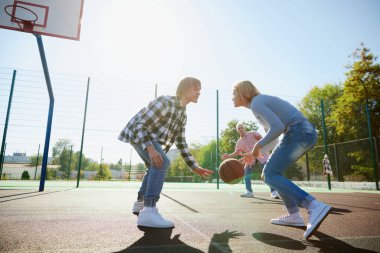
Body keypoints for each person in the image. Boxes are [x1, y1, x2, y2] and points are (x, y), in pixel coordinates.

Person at [232, 80, 331, 240]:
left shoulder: (257, 103)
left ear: (244, 93)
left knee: (269, 174)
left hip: (298, 131)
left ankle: (313, 205)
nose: (232, 97)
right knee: (272, 173)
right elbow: (274, 140)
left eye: (234, 93)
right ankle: (294, 215)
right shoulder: (258, 107)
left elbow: (277, 128)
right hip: (305, 133)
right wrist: (254, 152)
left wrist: (257, 146)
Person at [118, 77, 213, 228]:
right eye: (196, 88)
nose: (199, 92)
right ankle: (149, 211)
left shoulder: (182, 114)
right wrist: (150, 148)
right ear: (185, 89)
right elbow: (140, 125)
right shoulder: (165, 102)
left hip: (148, 137)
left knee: (154, 165)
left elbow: (181, 142)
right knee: (162, 162)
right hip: (138, 133)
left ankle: (140, 202)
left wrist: (194, 166)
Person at [221, 122, 280, 199]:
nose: (240, 129)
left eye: (241, 127)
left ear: (244, 128)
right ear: (237, 130)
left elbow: (261, 139)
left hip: (261, 154)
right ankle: (249, 192)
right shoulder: (239, 142)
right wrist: (228, 156)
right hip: (250, 158)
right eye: (239, 128)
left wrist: (259, 137)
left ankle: (274, 192)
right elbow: (237, 152)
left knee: (267, 173)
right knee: (246, 174)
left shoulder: (252, 133)